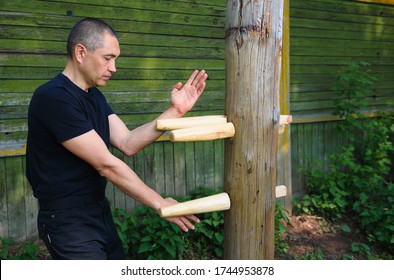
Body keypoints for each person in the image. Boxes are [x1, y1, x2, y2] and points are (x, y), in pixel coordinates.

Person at [26, 17, 207, 260]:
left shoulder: (94, 96)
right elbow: (106, 164)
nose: (114, 68)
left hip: (98, 210)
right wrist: (160, 203)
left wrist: (175, 112)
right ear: (81, 52)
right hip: (67, 221)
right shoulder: (53, 97)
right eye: (108, 58)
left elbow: (127, 142)